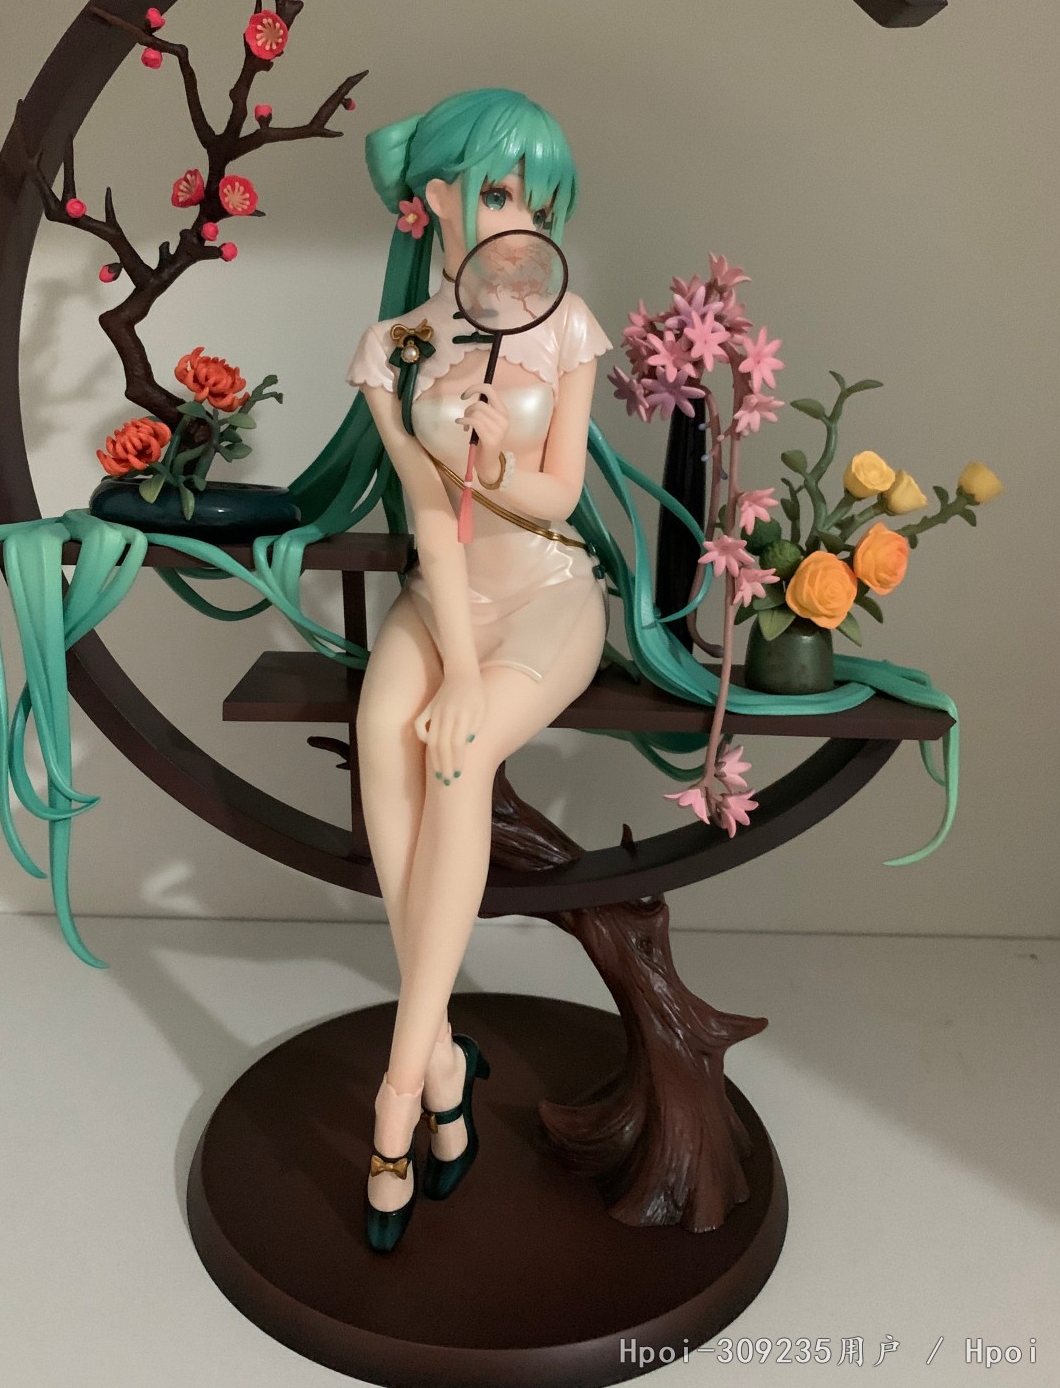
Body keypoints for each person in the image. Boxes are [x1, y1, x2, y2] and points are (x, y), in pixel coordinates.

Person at [344, 88, 612, 1249]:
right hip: (443, 595)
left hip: (549, 593)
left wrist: (497, 462)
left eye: (537, 202)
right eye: (499, 192)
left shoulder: (567, 324)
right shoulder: (395, 348)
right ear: (437, 196)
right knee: (386, 736)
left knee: (455, 759)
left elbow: (559, 495)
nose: (519, 222)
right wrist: (456, 662)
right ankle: (446, 1053)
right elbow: (426, 517)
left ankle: (400, 1096)